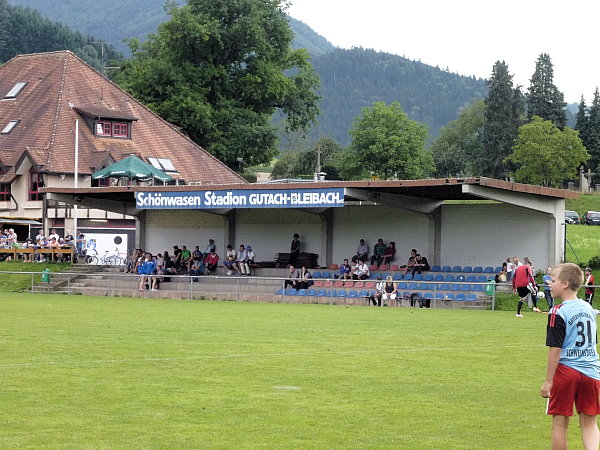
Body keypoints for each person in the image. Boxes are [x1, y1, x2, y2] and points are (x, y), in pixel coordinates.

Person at [540, 263, 600, 450]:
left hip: (567, 371)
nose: (549, 283)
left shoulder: (558, 311)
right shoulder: (589, 309)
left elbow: (555, 349)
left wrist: (548, 381)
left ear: (565, 283)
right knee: (590, 423)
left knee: (560, 422)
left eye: (553, 280)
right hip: (591, 371)